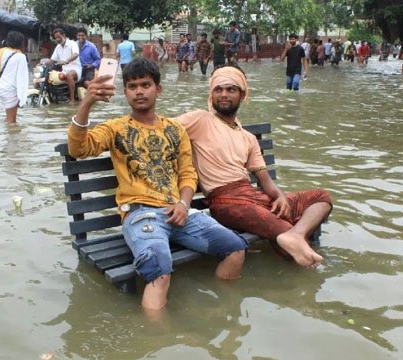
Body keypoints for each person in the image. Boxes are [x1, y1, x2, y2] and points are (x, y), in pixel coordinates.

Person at [67, 58, 247, 310]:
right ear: (125, 92)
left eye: (145, 84)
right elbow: (79, 148)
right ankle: (157, 341)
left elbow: (187, 174)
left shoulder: (175, 129)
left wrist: (184, 204)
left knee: (236, 248)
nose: (139, 91)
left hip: (180, 211)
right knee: (159, 268)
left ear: (158, 89)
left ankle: (223, 311)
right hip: (140, 214)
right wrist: (87, 102)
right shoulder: (115, 128)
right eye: (132, 86)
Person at [177, 66, 332, 268]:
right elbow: (160, 128)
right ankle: (294, 242)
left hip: (254, 197)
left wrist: (280, 197)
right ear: (212, 94)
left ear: (242, 95)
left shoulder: (248, 138)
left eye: (231, 90)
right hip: (226, 202)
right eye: (218, 89)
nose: (223, 94)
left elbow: (265, 180)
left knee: (321, 198)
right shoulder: (200, 120)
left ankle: (296, 235)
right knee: (286, 234)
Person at [0, 30, 29, 124]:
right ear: (21, 43)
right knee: (12, 121)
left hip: (1, 87)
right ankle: (11, 138)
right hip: (11, 90)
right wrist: (22, 98)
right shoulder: (20, 56)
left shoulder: (1, 52)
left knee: (8, 118)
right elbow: (22, 78)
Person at [49, 28, 81, 104]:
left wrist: (66, 61)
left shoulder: (72, 43)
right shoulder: (58, 47)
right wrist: (42, 63)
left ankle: (72, 100)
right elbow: (52, 60)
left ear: (63, 35)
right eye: (56, 38)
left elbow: (76, 54)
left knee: (69, 75)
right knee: (49, 76)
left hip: (75, 68)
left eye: (59, 37)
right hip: (64, 70)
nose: (57, 39)